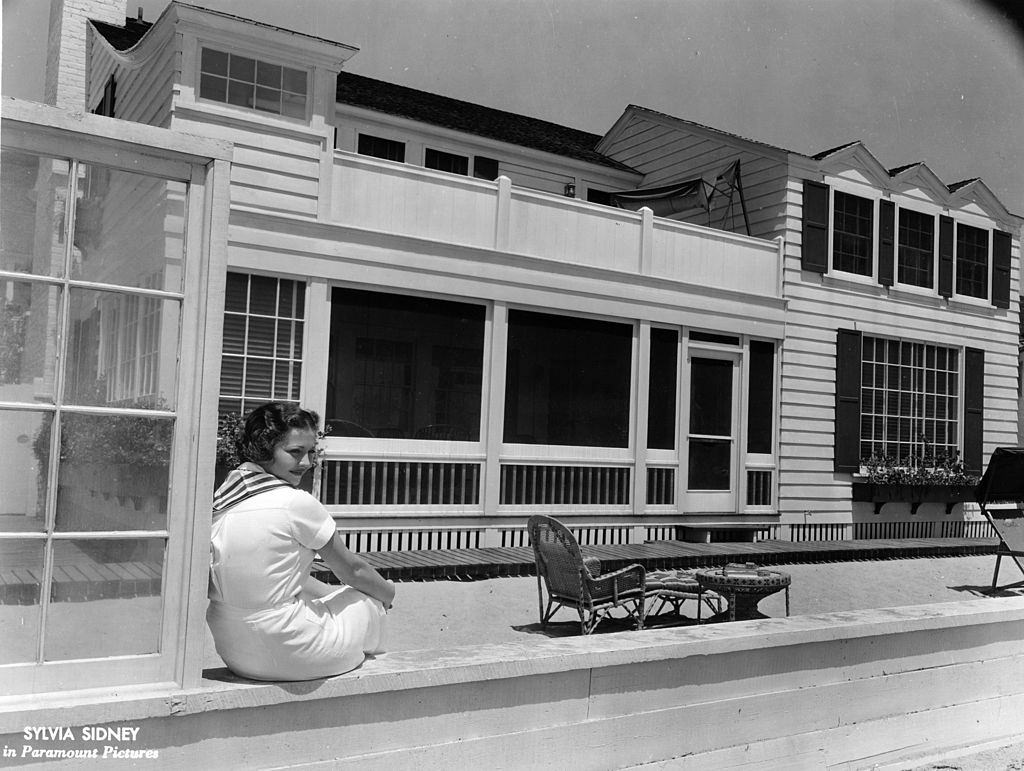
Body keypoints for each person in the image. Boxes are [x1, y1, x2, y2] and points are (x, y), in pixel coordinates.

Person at [207, 402, 396, 681]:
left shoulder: (223, 499)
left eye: (311, 452)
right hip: (292, 652)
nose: (307, 463)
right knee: (369, 598)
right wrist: (388, 594)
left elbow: (277, 576)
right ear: (263, 449)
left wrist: (332, 597)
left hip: (235, 653)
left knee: (334, 596)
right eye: (295, 452)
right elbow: (352, 570)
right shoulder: (294, 502)